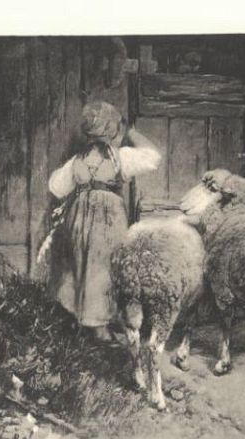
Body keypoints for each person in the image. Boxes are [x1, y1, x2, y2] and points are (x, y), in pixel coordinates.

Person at [47, 100, 161, 341]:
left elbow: (56, 187)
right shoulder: (121, 157)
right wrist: (129, 131)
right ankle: (100, 328)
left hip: (79, 218)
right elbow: (153, 156)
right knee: (107, 268)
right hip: (109, 218)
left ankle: (90, 321)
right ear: (113, 130)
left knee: (84, 265)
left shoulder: (77, 160)